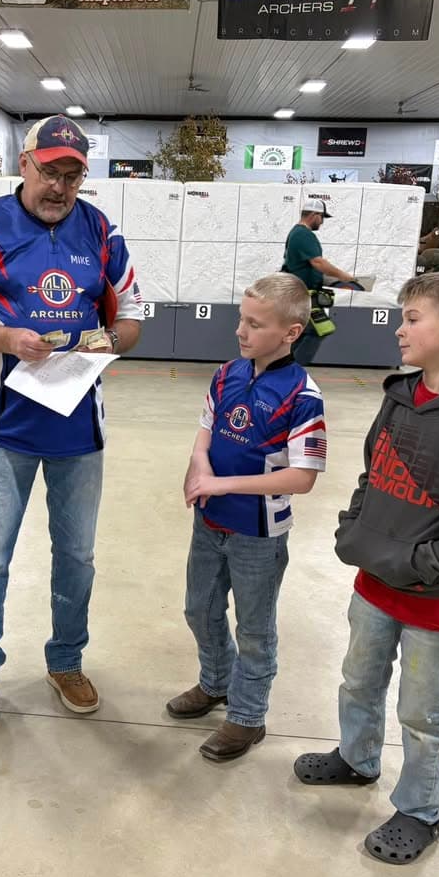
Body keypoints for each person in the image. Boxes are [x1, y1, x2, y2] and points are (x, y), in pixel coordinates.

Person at [294, 271, 439, 865]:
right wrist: (355, 527)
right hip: (375, 581)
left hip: (435, 600)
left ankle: (421, 810)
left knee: (423, 713)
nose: (400, 329)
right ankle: (357, 758)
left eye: (412, 318)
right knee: (358, 681)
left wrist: (426, 563)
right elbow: (375, 471)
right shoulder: (398, 398)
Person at [0, 114, 143, 727]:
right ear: (24, 164)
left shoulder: (102, 231)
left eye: (72, 175)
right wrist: (5, 337)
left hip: (81, 432)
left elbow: (132, 318)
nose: (59, 186)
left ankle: (66, 660)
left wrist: (98, 345)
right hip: (2, 431)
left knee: (76, 557)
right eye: (50, 171)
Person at [167, 273, 326, 762]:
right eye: (241, 319)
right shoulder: (226, 373)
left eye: (255, 325)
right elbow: (205, 431)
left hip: (258, 533)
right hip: (210, 522)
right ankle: (216, 683)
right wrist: (199, 467)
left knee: (254, 629)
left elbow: (302, 478)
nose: (241, 331)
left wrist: (222, 484)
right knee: (201, 608)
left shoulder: (303, 396)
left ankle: (248, 717)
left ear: (290, 333)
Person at [281, 198, 358, 291]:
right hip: (302, 291)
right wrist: (343, 276)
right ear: (314, 215)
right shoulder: (303, 233)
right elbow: (318, 262)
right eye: (322, 217)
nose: (321, 222)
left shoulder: (296, 231)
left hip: (299, 289)